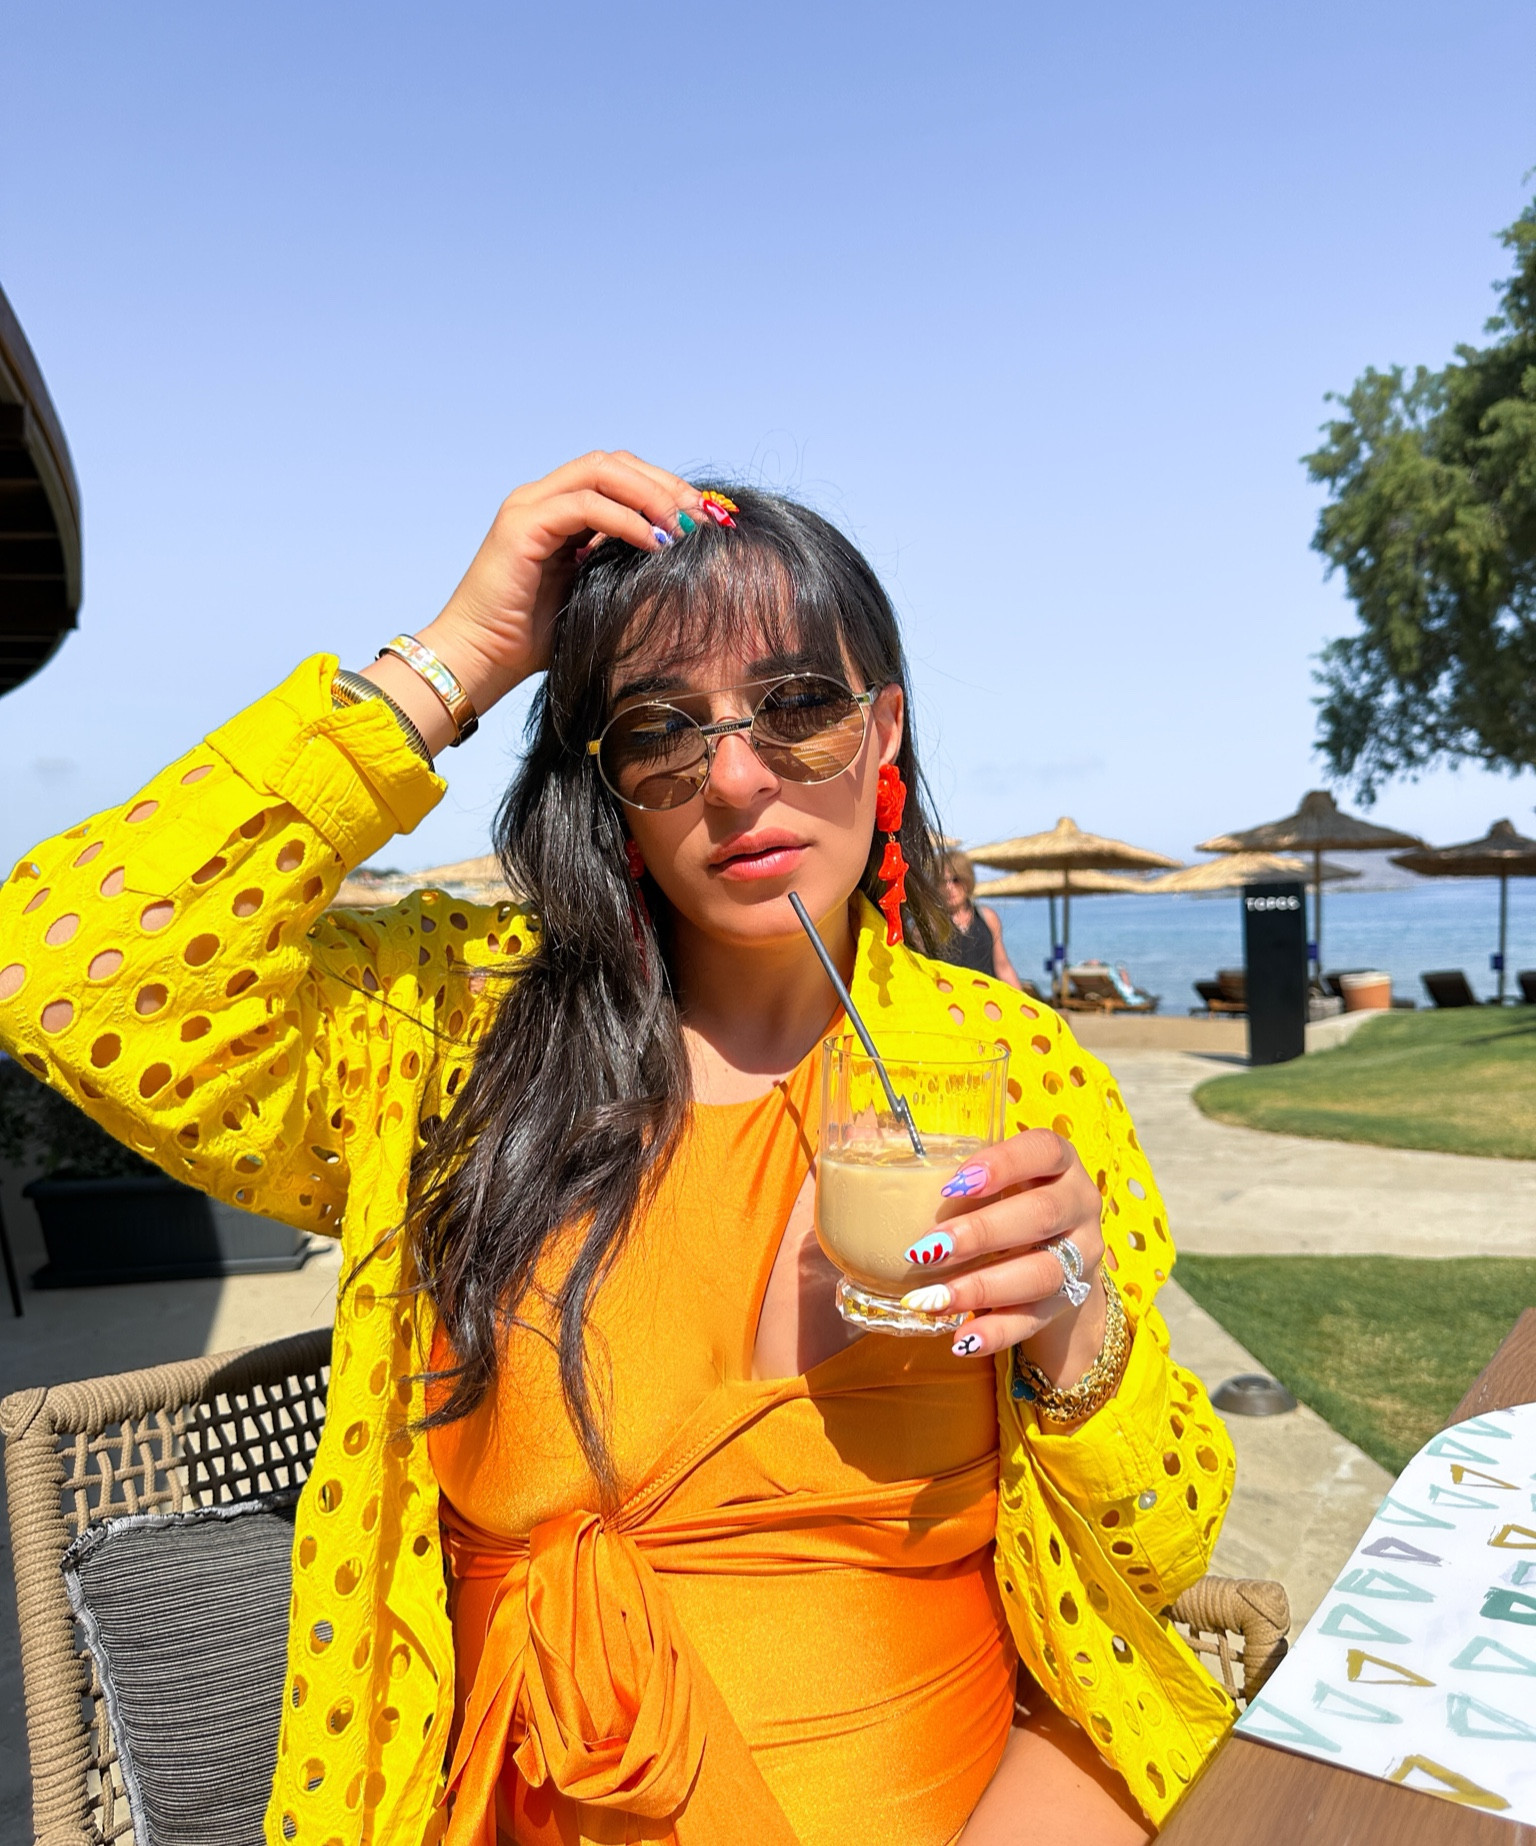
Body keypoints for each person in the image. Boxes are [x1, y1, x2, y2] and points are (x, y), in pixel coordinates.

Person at [0, 454, 1237, 1846]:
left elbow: (1166, 1544)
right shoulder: (456, 1033)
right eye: (660, 731)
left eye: (799, 708)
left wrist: (1076, 1337)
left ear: (882, 731)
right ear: (610, 784)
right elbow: (71, 977)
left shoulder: (1013, 1068)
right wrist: (454, 658)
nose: (734, 775)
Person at [938, 849, 1024, 987]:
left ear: (968, 880)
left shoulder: (987, 917)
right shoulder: (931, 924)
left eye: (956, 880)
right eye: (943, 881)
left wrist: (1025, 1003)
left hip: (988, 1002)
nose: (949, 887)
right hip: (950, 1003)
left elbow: (1003, 967)